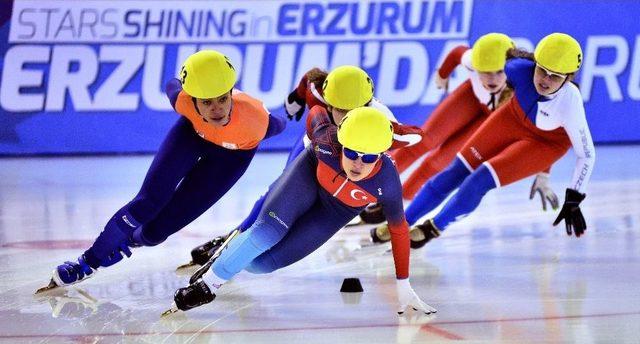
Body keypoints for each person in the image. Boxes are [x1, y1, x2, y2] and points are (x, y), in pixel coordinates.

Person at [40, 50, 286, 290]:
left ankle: (129, 241)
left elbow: (281, 123)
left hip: (231, 156)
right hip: (193, 134)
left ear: (232, 93)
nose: (217, 109)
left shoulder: (258, 121)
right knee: (146, 203)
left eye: (223, 98)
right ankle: (87, 262)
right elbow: (173, 83)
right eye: (207, 102)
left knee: (156, 232)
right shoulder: (182, 101)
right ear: (193, 100)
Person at [172, 107, 436, 316]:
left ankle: (228, 255)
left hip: (334, 212)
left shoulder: (386, 182)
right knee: (267, 233)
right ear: (342, 144)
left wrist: (403, 283)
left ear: (381, 154)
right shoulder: (326, 140)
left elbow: (399, 229)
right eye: (353, 152)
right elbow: (316, 111)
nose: (358, 163)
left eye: (369, 157)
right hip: (308, 177)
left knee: (260, 265)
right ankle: (209, 283)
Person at [185, 65, 423, 266]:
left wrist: (394, 132)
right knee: (276, 194)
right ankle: (231, 241)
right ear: (328, 103)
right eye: (340, 111)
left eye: (355, 111)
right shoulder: (319, 93)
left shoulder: (381, 118)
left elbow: (418, 136)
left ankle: (253, 249)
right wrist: (295, 100)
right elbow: (310, 80)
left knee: (308, 213)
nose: (348, 117)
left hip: (348, 164)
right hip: (316, 148)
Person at [385, 32, 595, 248]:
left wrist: (573, 195)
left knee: (479, 181)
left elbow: (586, 155)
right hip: (512, 118)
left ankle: (433, 227)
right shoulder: (515, 68)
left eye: (556, 76)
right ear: (535, 63)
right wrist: (443, 73)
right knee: (455, 171)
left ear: (568, 77)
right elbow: (461, 54)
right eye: (542, 71)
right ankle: (402, 222)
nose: (545, 80)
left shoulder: (570, 102)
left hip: (545, 143)